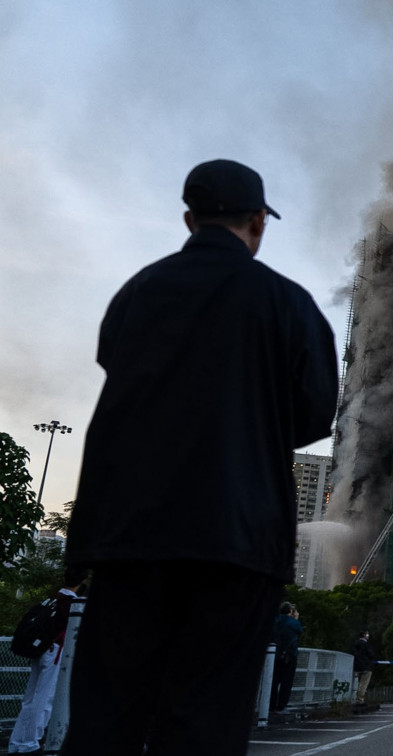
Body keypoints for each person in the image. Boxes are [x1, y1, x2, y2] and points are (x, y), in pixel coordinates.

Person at [63, 159, 339, 756]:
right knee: (207, 719)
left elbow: (118, 377)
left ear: (189, 218)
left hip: (130, 536)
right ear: (259, 221)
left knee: (105, 715)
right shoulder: (288, 304)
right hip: (237, 542)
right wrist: (249, 429)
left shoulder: (137, 293)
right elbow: (317, 415)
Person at [8, 568, 89, 755]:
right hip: (55, 653)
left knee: (30, 698)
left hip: (41, 650)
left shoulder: (53, 599)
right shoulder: (70, 603)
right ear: (82, 582)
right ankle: (30, 743)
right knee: (44, 699)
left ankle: (18, 742)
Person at [271, 602, 303, 712]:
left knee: (273, 681)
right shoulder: (293, 623)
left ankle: (270, 705)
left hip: (273, 654)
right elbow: (300, 631)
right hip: (289, 655)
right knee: (286, 682)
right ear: (290, 611)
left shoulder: (275, 620)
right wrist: (296, 618)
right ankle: (281, 706)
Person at [353, 631, 376, 704]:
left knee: (357, 683)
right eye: (367, 634)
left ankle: (355, 697)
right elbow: (371, 655)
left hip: (357, 666)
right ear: (363, 635)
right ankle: (359, 699)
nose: (368, 635)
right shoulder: (366, 645)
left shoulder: (355, 644)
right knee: (364, 683)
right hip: (366, 666)